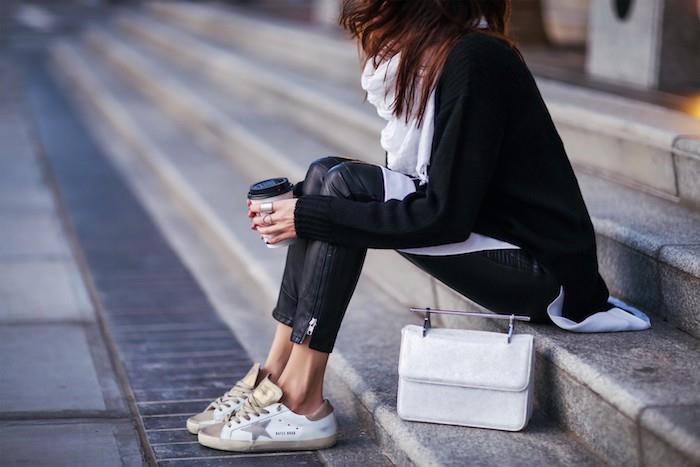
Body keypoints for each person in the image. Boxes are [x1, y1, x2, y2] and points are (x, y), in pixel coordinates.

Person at [190, 0, 620, 452]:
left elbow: (444, 217)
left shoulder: (475, 60)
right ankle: (276, 372)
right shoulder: (442, 55)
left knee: (339, 194)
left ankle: (302, 399)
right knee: (323, 177)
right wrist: (302, 204)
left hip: (542, 273)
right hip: (493, 236)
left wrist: (310, 215)